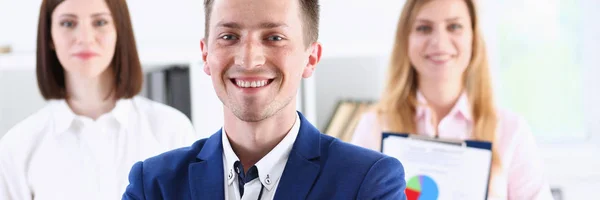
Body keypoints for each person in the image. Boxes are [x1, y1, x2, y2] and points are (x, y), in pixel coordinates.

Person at [121, 0, 407, 199]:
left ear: (311, 58)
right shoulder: (153, 185)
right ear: (205, 54)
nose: (248, 59)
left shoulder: (368, 182)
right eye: (229, 36)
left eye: (274, 38)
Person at [350, 0, 553, 199]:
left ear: (473, 38)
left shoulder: (511, 130)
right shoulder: (373, 126)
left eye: (454, 26)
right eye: (424, 28)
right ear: (406, 40)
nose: (439, 42)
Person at [0, 0, 198, 199]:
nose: (85, 38)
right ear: (50, 36)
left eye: (100, 22)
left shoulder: (171, 130)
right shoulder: (19, 146)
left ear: (119, 30)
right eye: (68, 23)